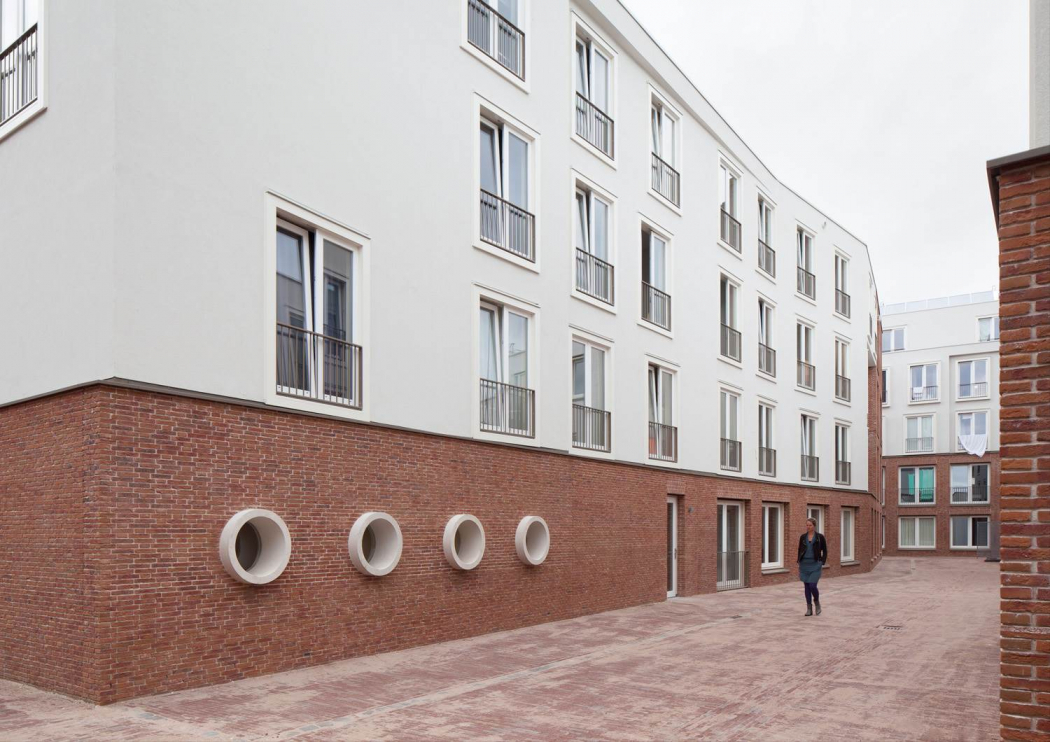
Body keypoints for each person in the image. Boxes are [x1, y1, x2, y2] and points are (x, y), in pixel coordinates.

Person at [797, 517, 828, 616]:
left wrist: (822, 562)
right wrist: (799, 561)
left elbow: (825, 550)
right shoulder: (803, 537)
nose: (808, 527)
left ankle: (817, 603)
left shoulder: (820, 537)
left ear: (814, 526)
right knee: (806, 586)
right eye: (807, 525)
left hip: (815, 565)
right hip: (804, 565)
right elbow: (800, 549)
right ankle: (809, 609)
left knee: (812, 585)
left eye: (810, 525)